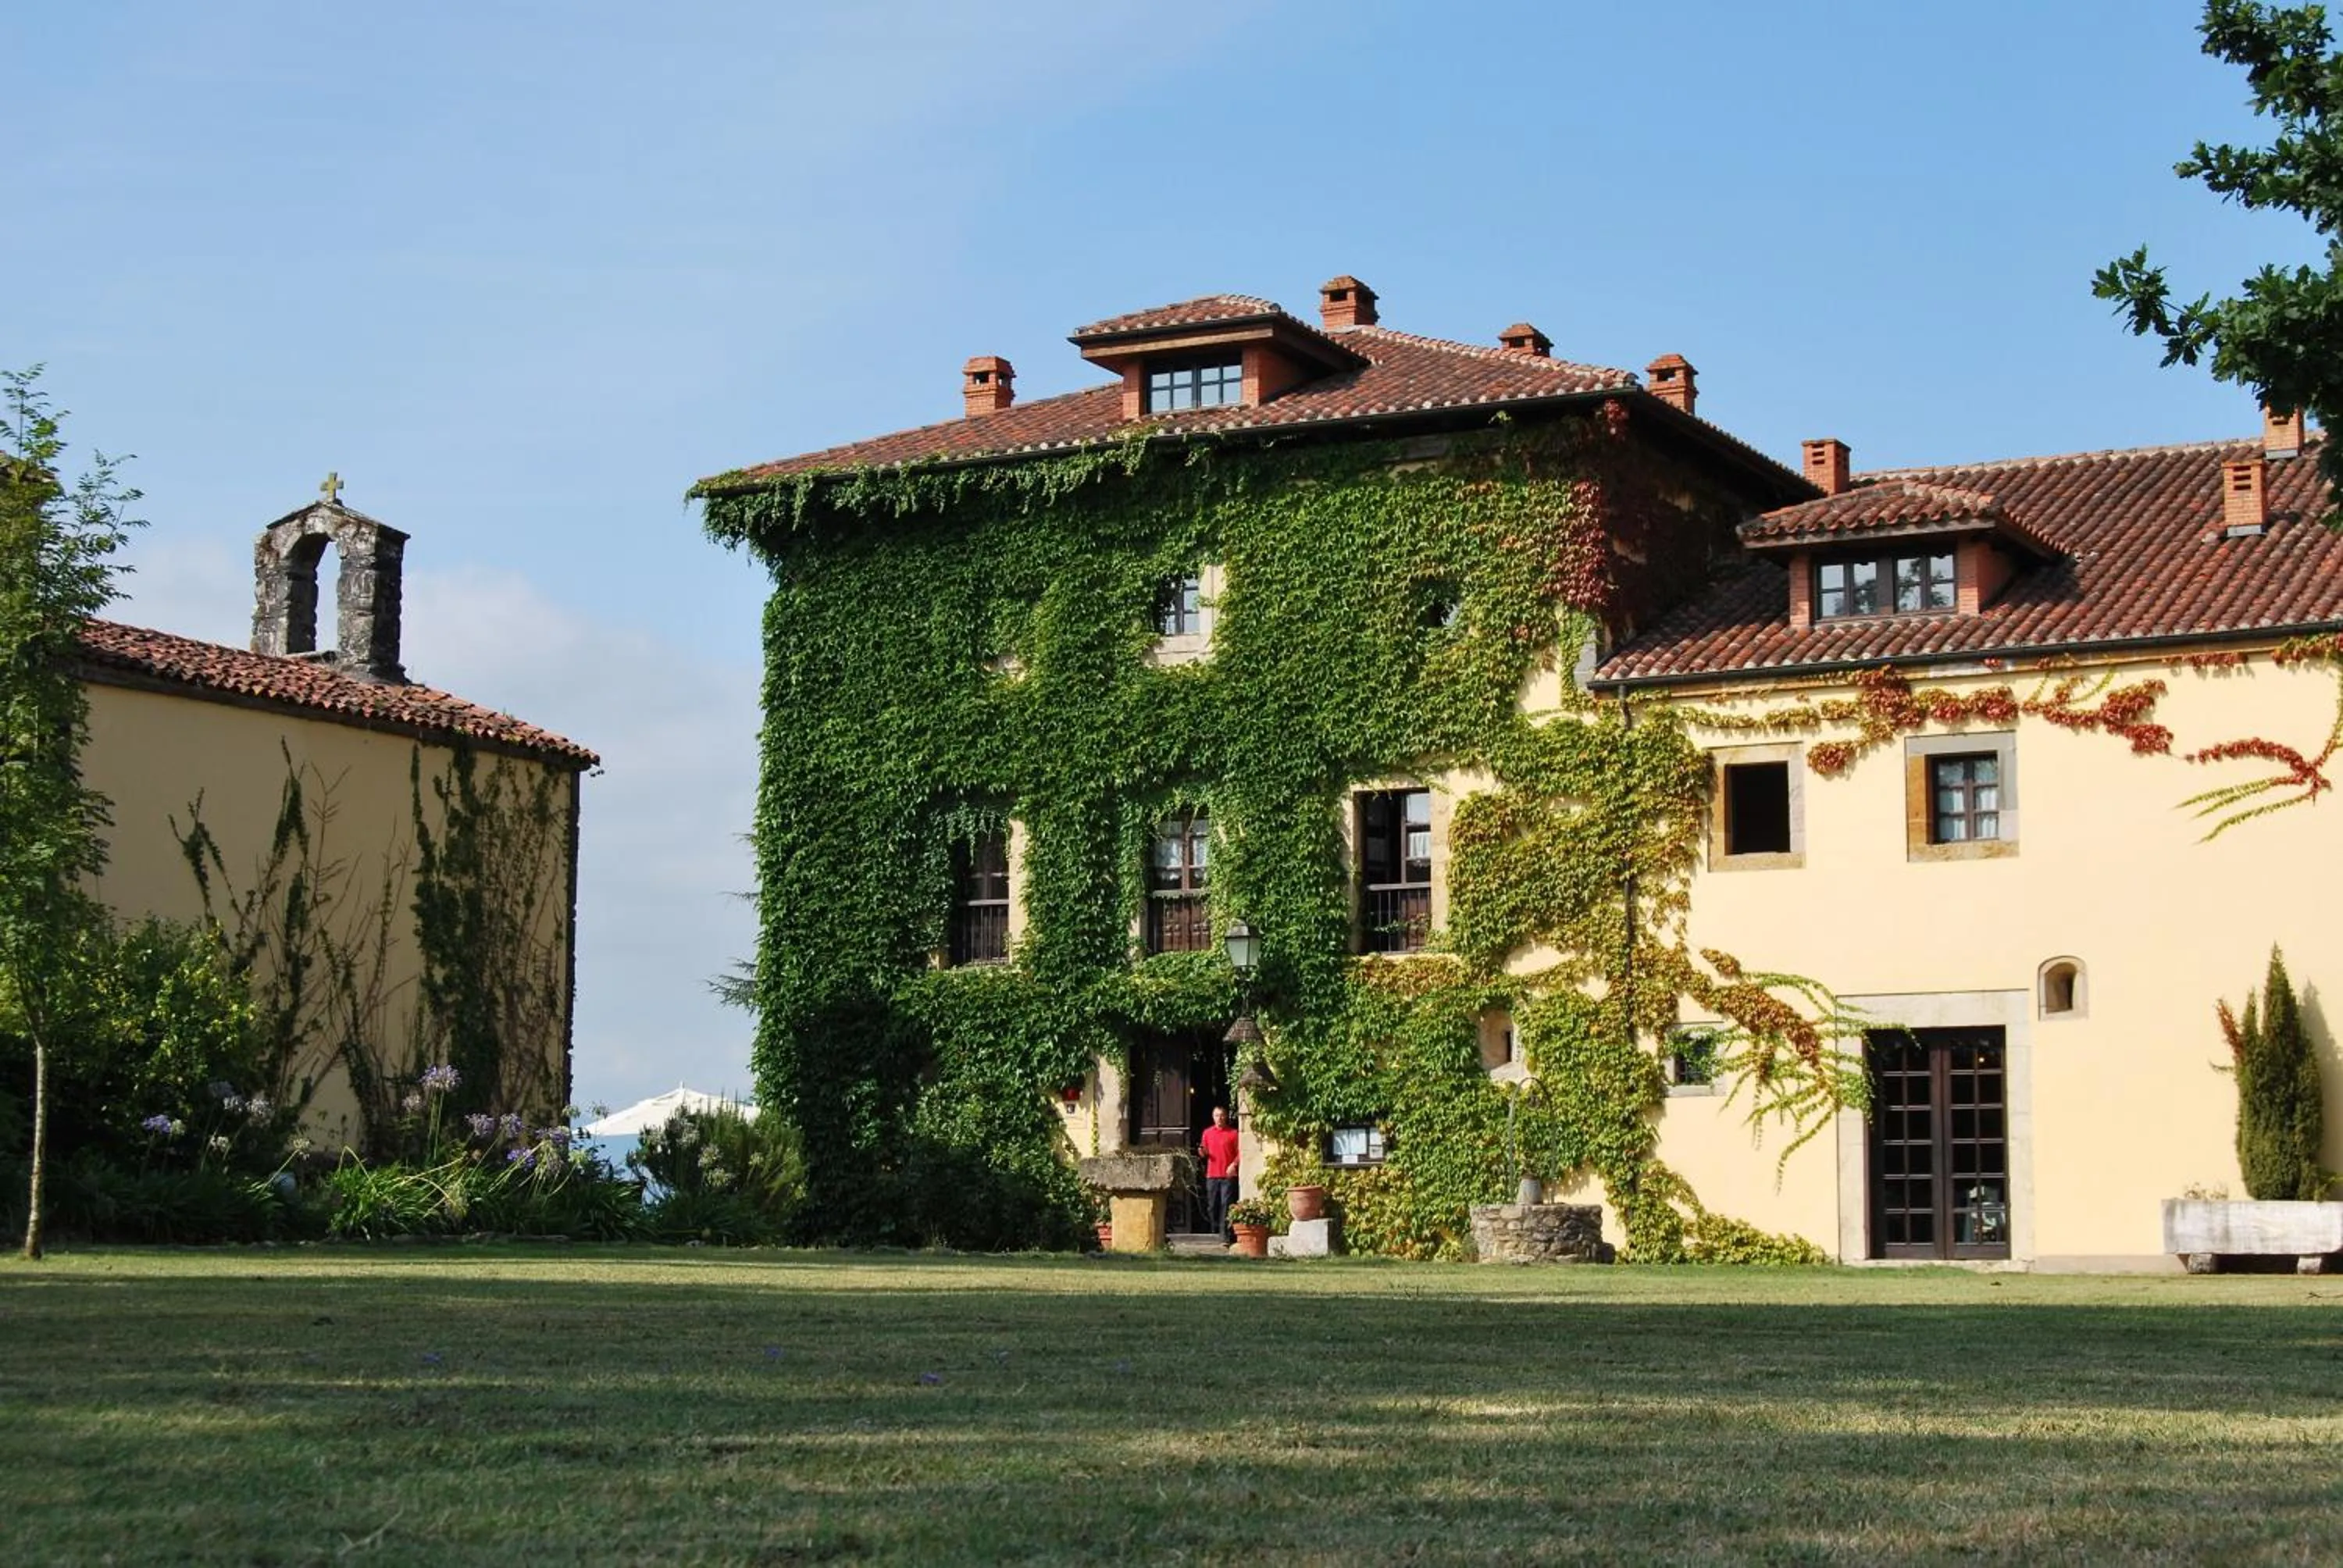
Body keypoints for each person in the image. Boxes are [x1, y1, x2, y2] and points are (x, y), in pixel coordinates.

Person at [1199, 1105, 1240, 1240]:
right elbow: (1204, 1151)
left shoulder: (1234, 1133)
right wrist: (1202, 1152)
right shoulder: (1207, 1133)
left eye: (1222, 1115)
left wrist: (1234, 1165)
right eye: (1217, 1115)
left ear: (1226, 1116)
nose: (1220, 1118)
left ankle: (1225, 1235)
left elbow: (1241, 1153)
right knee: (1212, 1205)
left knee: (1226, 1204)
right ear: (1213, 1117)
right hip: (1212, 1174)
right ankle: (1214, 1229)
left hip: (1228, 1175)